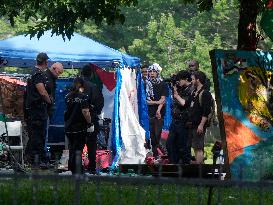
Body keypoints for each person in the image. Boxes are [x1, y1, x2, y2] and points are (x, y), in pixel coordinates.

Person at [24, 52, 52, 166]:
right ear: (45, 62)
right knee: (38, 136)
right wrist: (49, 101)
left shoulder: (32, 73)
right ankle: (36, 162)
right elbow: (42, 92)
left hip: (33, 110)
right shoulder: (37, 74)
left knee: (35, 136)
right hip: (37, 110)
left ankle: (32, 160)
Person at [64, 77, 93, 174]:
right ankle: (78, 170)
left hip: (68, 127)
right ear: (82, 86)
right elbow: (85, 112)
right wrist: (90, 123)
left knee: (71, 148)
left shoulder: (67, 96)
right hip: (79, 127)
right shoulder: (83, 97)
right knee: (78, 149)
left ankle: (71, 168)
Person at [81, 64, 104, 173]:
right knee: (92, 144)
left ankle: (76, 167)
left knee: (77, 144)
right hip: (92, 119)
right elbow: (100, 104)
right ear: (91, 75)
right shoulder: (94, 87)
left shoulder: (75, 87)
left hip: (77, 120)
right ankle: (92, 167)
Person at [166, 70, 192, 164]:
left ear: (186, 79)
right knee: (170, 144)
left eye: (180, 79)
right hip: (175, 120)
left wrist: (176, 96)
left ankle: (185, 166)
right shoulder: (180, 88)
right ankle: (174, 163)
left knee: (183, 146)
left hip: (184, 120)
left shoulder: (191, 89)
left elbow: (184, 103)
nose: (178, 82)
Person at [188, 71, 213, 164]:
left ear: (198, 80)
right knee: (195, 147)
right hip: (193, 124)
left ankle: (200, 170)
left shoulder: (205, 93)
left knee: (198, 147)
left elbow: (206, 111)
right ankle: (199, 165)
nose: (192, 81)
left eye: (193, 79)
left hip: (199, 124)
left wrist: (201, 125)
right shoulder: (194, 92)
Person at [146, 63, 168, 158]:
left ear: (157, 72)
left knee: (158, 135)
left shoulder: (163, 84)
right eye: (150, 71)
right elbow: (146, 101)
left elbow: (163, 99)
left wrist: (158, 109)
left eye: (154, 71)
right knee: (152, 137)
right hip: (148, 113)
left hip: (159, 114)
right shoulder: (146, 84)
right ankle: (155, 156)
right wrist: (156, 102)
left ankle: (164, 154)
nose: (151, 73)